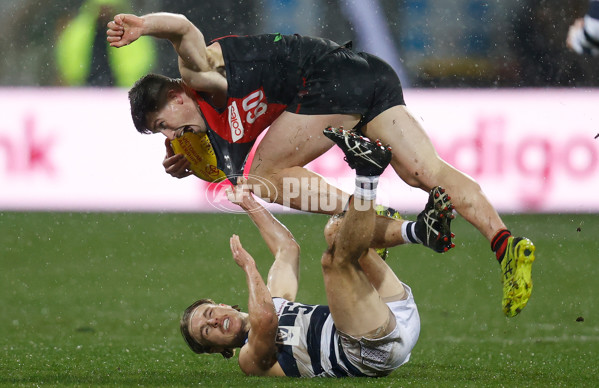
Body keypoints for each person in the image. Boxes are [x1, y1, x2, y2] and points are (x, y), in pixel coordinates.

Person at [106, 12, 535, 317]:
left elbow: (182, 27)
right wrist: (191, 160)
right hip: (364, 73)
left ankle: (371, 213)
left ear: (177, 96)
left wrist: (144, 26)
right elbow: (224, 165)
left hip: (326, 79)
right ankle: (506, 244)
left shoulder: (198, 75)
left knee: (266, 177)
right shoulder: (209, 130)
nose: (169, 136)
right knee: (425, 173)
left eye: (163, 124)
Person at [179, 134, 453, 377]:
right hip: (371, 351)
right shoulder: (249, 359)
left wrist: (249, 203)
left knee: (337, 230)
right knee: (332, 262)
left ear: (224, 305)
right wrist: (249, 265)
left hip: (396, 315)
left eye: (209, 313)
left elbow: (287, 248)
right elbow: (265, 321)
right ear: (217, 349)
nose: (213, 321)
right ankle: (367, 175)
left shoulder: (275, 302)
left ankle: (420, 232)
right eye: (207, 331)